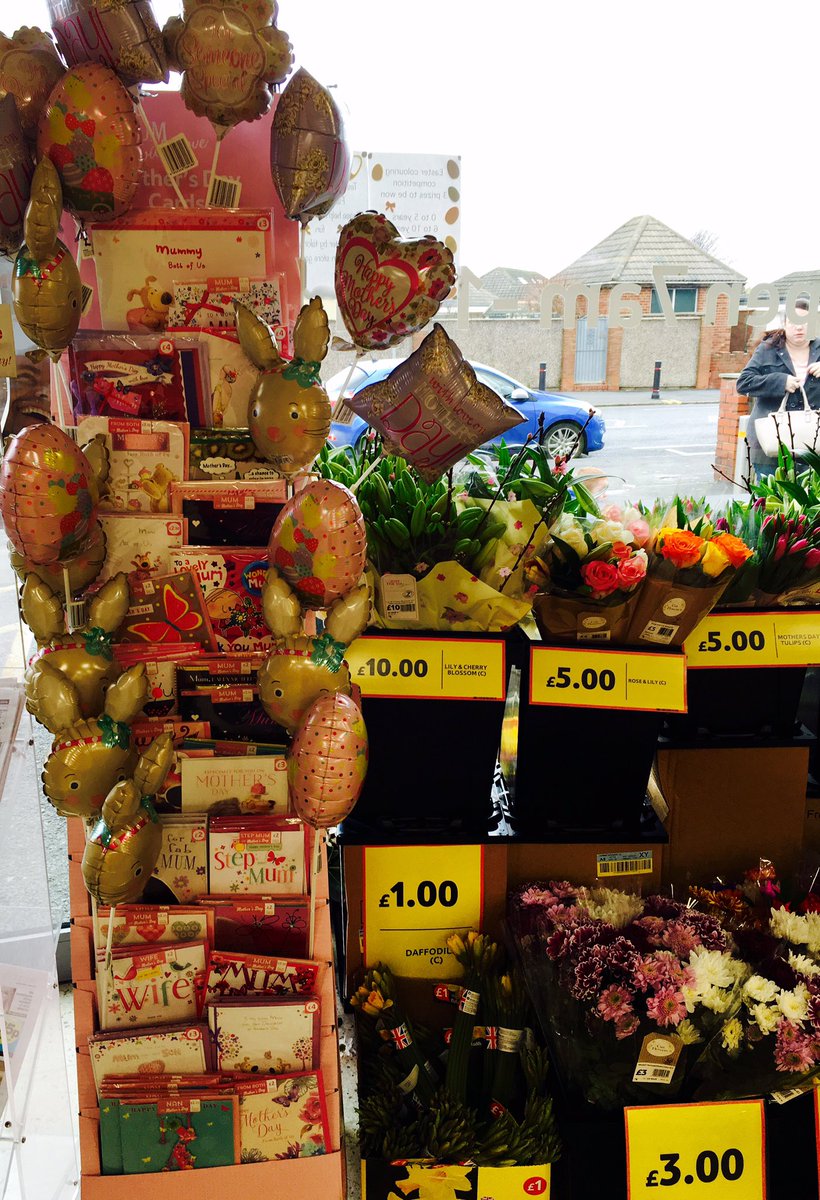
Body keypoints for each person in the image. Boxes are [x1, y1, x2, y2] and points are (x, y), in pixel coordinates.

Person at [736, 300, 820, 475]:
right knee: (770, 499)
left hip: (813, 444)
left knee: (809, 501)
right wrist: (780, 382)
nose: (799, 328)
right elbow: (744, 383)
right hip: (770, 444)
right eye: (794, 322)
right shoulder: (768, 349)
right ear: (784, 324)